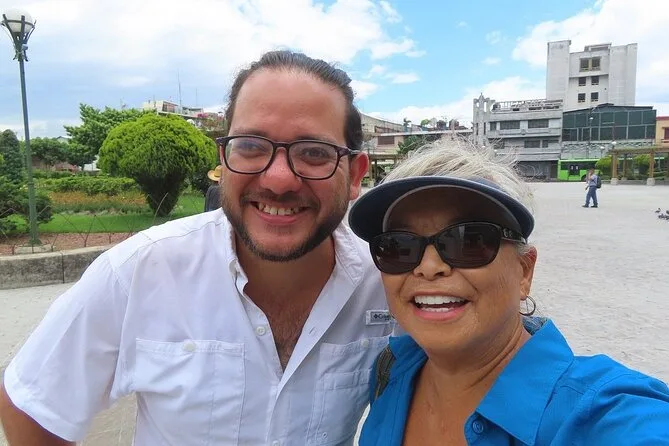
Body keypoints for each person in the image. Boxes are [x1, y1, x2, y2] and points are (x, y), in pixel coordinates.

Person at [0, 50, 394, 445]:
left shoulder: (387, 282)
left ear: (355, 174)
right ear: (224, 160)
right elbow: (32, 403)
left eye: (314, 152)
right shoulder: (138, 271)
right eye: (251, 146)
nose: (278, 180)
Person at [349, 140, 669, 445]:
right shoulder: (392, 370)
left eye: (469, 241)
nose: (429, 267)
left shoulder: (603, 414)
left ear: (524, 271)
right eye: (398, 246)